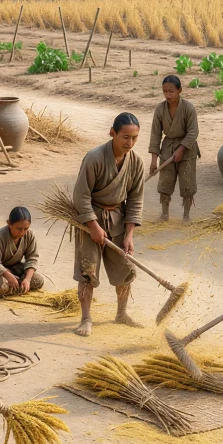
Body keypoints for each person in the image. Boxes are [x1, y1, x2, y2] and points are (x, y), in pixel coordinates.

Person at [72, 113, 146, 337]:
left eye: (134, 138)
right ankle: (86, 318)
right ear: (112, 133)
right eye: (125, 137)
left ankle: (122, 313)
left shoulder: (136, 162)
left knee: (125, 268)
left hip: (118, 218)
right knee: (88, 270)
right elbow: (80, 196)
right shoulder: (94, 158)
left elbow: (135, 200)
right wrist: (93, 226)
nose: (129, 143)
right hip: (89, 218)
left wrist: (129, 235)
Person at [148, 74, 200, 222]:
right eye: (165, 91)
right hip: (167, 149)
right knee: (165, 183)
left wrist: (181, 149)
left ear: (179, 90)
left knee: (187, 183)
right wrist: (153, 160)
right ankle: (164, 214)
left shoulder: (188, 108)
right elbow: (155, 135)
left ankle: (186, 215)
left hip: (188, 150)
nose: (168, 95)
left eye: (171, 91)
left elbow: (193, 132)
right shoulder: (160, 109)